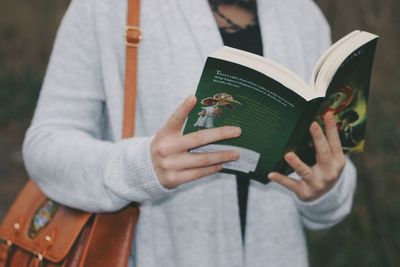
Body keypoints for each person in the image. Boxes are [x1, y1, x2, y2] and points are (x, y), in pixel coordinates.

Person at [22, 0, 357, 266]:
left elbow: (327, 182)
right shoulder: (107, 7)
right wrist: (141, 167)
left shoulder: (304, 15)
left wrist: (325, 188)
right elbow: (44, 147)